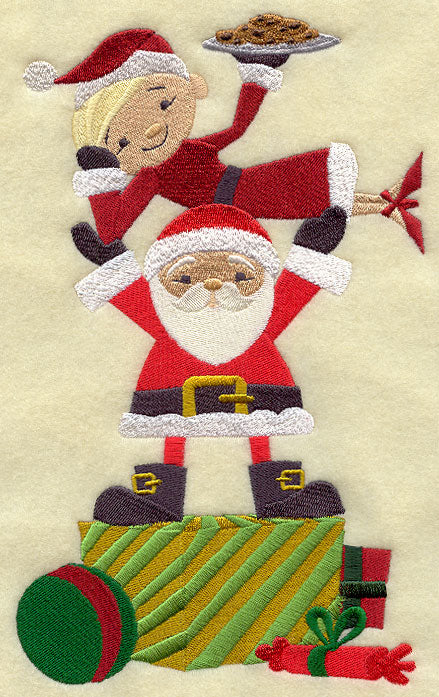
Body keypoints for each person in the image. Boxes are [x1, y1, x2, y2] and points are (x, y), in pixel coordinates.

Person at [73, 203, 350, 525]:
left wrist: (310, 251)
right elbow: (133, 297)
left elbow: (293, 291)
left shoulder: (260, 317)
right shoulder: (166, 317)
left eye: (240, 275)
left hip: (254, 388)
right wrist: (112, 263)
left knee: (261, 433)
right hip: (174, 392)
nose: (214, 286)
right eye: (186, 277)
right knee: (172, 435)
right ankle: (154, 507)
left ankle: (283, 502)